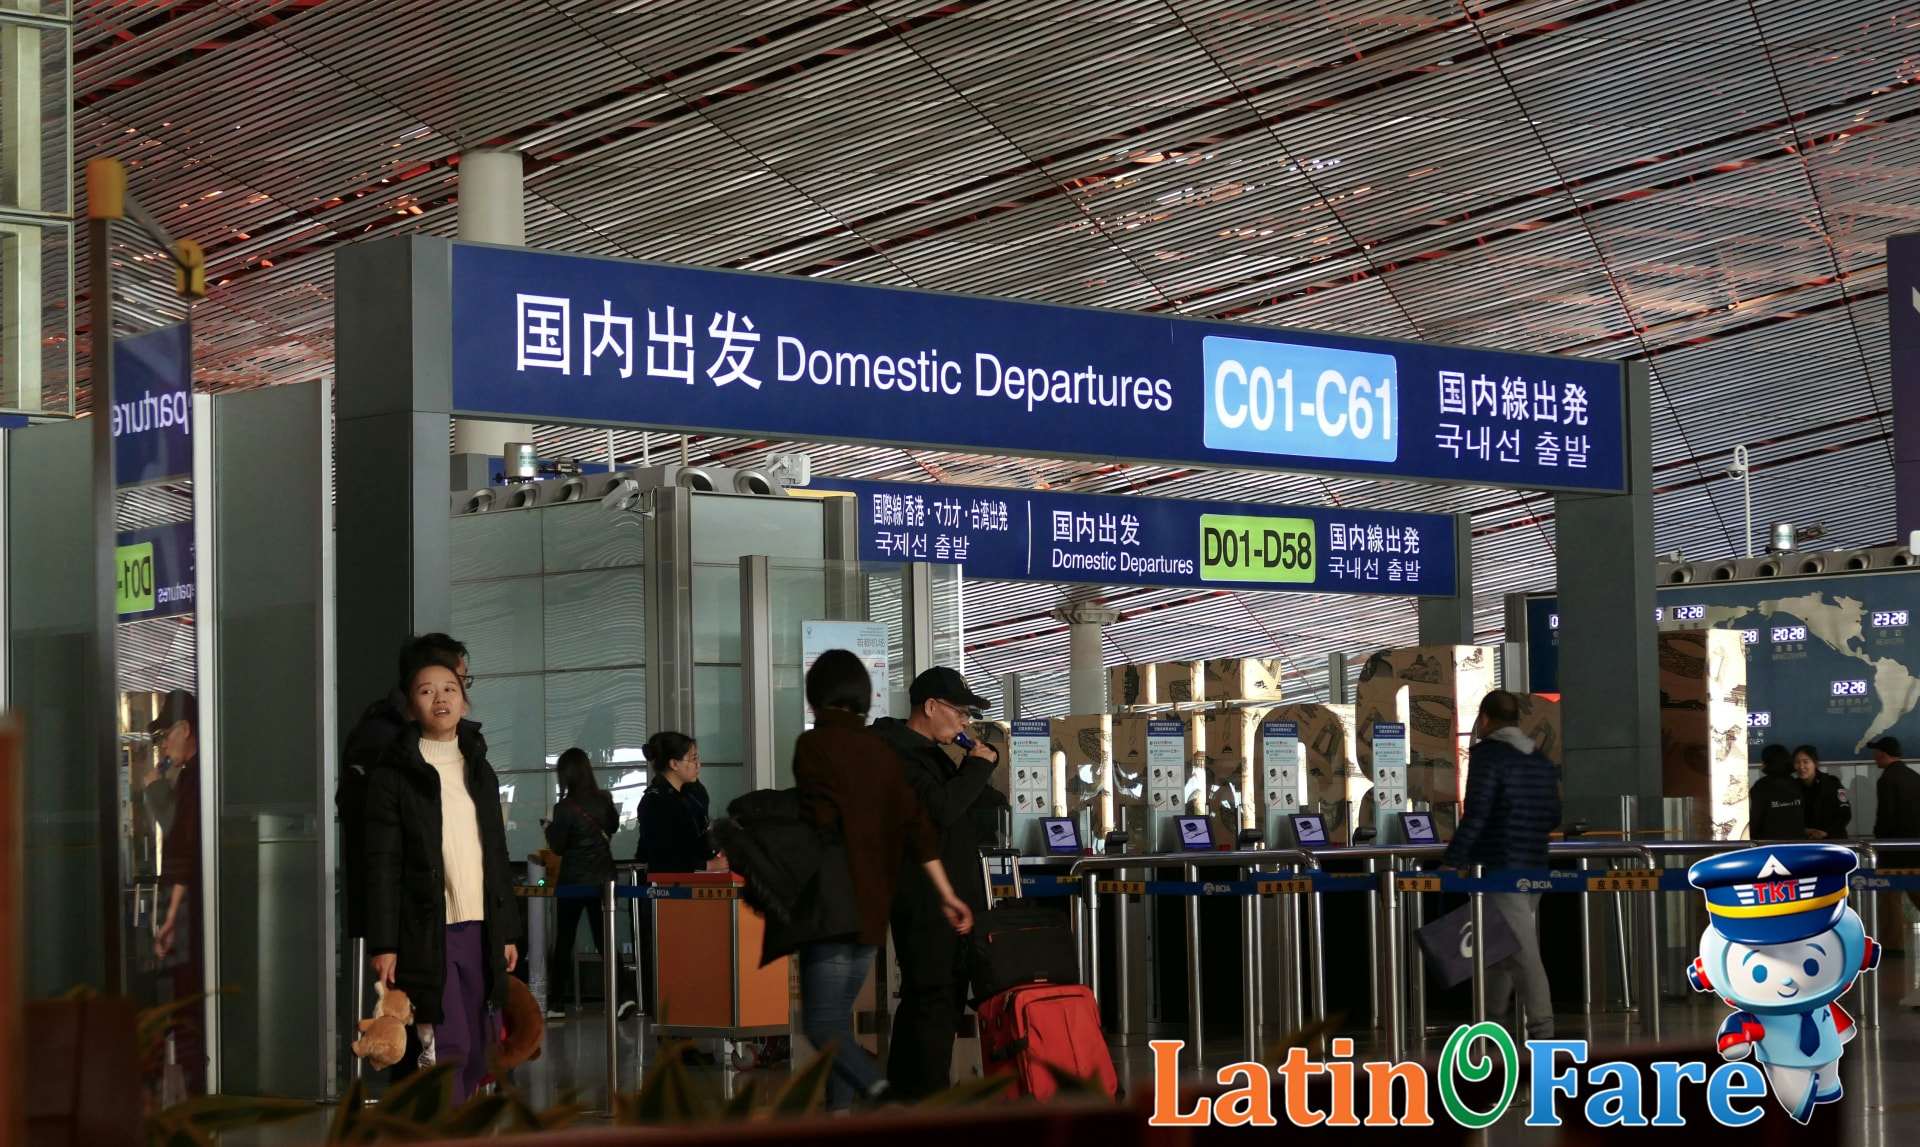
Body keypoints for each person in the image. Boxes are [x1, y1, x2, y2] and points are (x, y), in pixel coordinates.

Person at [792, 649, 973, 1111]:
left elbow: (821, 819)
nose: (965, 721)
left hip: (843, 899)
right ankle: (876, 1105)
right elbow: (924, 822)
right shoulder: (888, 752)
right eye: (960, 710)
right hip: (865, 901)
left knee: (828, 1022)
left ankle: (879, 1101)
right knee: (837, 1019)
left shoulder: (825, 748)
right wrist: (947, 892)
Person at [364, 646, 520, 1101]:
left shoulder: (481, 771)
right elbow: (382, 863)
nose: (440, 698)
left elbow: (496, 853)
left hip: (482, 927)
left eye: (450, 688)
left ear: (464, 702)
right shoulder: (393, 775)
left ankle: (458, 1118)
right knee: (448, 1045)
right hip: (426, 929)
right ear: (410, 706)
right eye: (426, 691)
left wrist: (507, 930)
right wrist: (385, 944)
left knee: (482, 1049)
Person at [869, 666, 1002, 1100]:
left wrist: (980, 766)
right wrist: (976, 768)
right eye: (960, 712)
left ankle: (905, 1102)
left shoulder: (926, 753)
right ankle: (927, 1104)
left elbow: (964, 804)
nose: (965, 722)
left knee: (928, 1001)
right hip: (925, 901)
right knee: (935, 1003)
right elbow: (938, 811)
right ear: (930, 706)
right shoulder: (898, 754)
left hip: (940, 898)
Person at [338, 633, 480, 944]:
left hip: (451, 910)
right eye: (459, 681)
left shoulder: (464, 748)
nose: (458, 695)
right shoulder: (382, 740)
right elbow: (376, 838)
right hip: (408, 913)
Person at [1440, 690, 1562, 1041]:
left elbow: (1477, 812)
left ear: (1486, 720)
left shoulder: (1489, 756)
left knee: (1523, 954)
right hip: (1535, 866)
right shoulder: (1538, 759)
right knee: (1501, 945)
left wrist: (1453, 860)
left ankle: (1543, 1032)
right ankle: (1488, 1024)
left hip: (1500, 866)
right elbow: (1554, 814)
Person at [148, 690, 205, 1095]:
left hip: (194, 912)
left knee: (187, 1006)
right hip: (202, 907)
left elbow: (181, 845)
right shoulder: (196, 775)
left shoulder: (192, 779)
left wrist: (169, 917)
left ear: (185, 729)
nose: (164, 744)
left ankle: (194, 1093)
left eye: (166, 734)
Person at [543, 748, 621, 1020]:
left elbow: (559, 847)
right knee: (605, 940)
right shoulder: (604, 799)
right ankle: (622, 998)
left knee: (564, 940)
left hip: (573, 882)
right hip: (603, 881)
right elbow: (612, 827)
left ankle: (556, 1004)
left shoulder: (563, 809)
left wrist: (548, 827)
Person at [635, 732, 727, 875]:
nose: (698, 765)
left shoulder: (695, 792)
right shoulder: (654, 801)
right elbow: (662, 856)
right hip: (671, 886)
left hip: (702, 878)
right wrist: (708, 865)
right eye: (693, 759)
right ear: (674, 764)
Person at [1871, 736, 1920, 942]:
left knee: (1889, 896)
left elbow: (1887, 815)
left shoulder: (1887, 779)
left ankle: (1892, 945)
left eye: (1876, 753)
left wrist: (1879, 838)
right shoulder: (1914, 776)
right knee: (1916, 890)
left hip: (1894, 848)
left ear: (1883, 754)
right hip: (1915, 846)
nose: (1874, 757)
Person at [1749, 743, 1806, 841]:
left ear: (1766, 763)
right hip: (1798, 845)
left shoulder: (1761, 786)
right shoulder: (1797, 784)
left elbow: (1754, 820)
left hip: (1769, 847)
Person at [1793, 745, 1851, 841]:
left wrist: (1825, 833)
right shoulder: (1792, 787)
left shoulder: (1832, 784)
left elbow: (1844, 813)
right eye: (1797, 762)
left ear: (1815, 764)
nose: (1801, 766)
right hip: (1804, 841)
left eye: (1805, 762)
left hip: (1832, 841)